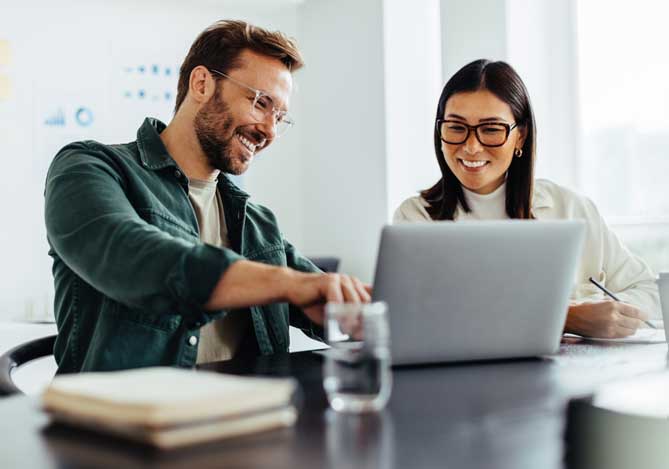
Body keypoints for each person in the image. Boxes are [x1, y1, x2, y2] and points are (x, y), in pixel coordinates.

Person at [44, 20, 370, 373]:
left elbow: (321, 294)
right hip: (125, 422)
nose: (270, 131)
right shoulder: (89, 167)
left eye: (280, 116)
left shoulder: (257, 222)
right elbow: (133, 255)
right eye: (260, 103)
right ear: (202, 84)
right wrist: (287, 283)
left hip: (251, 418)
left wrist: (358, 308)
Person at [393, 59, 659, 339]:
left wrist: (608, 315)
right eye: (456, 128)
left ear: (520, 137)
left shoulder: (569, 208)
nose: (471, 146)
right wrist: (566, 317)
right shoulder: (416, 218)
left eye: (491, 130)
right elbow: (418, 316)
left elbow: (650, 292)